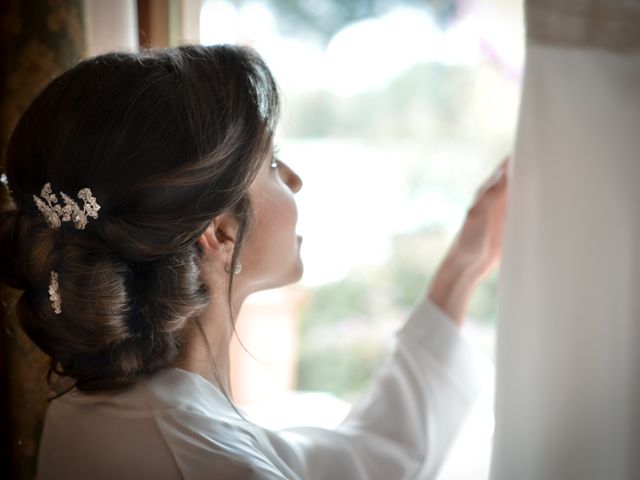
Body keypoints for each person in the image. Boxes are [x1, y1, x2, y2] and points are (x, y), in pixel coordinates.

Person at [0, 44, 508, 479]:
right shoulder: (224, 466)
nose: (294, 180)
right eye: (270, 162)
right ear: (220, 230)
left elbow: (360, 463)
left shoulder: (88, 405)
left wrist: (462, 268)